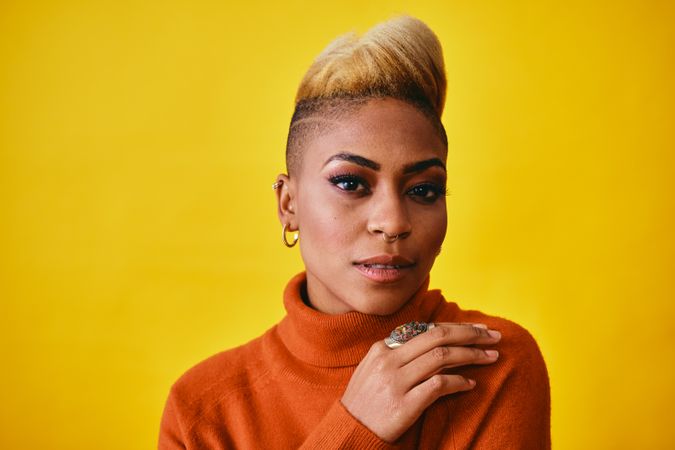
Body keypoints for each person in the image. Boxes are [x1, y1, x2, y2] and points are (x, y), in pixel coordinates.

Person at [158, 14, 550, 449]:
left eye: (423, 189)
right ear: (288, 204)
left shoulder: (493, 364)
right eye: (351, 183)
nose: (394, 223)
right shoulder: (203, 409)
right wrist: (356, 427)